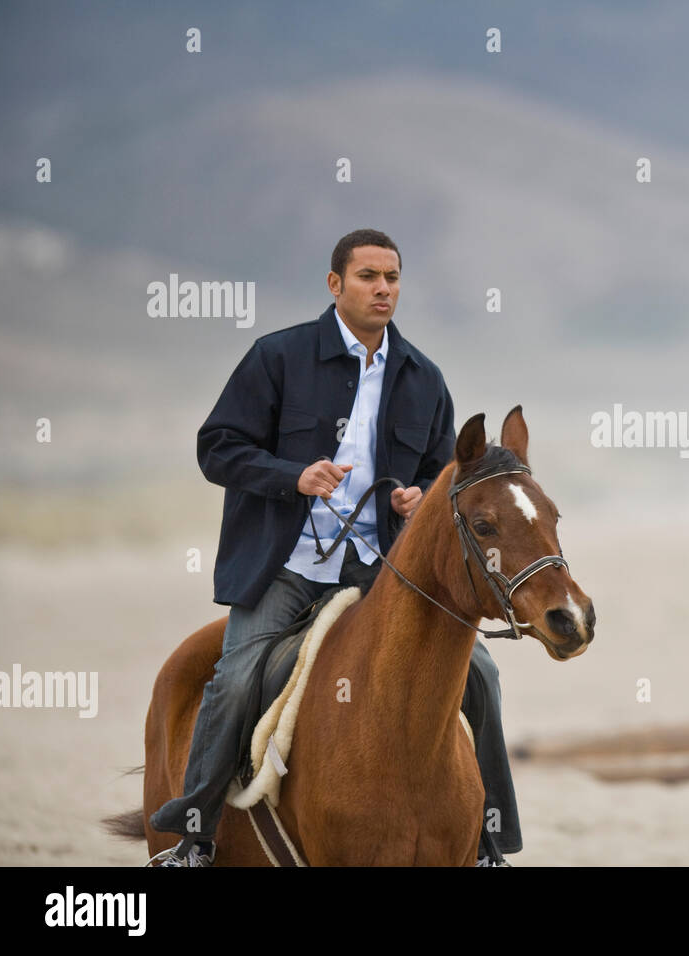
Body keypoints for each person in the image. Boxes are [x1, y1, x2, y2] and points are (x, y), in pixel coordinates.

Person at [148, 229, 521, 866]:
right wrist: (291, 477)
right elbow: (218, 447)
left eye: (392, 278)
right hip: (288, 567)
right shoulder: (279, 357)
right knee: (235, 680)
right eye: (369, 277)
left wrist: (418, 497)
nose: (383, 289)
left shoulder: (423, 378)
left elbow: (444, 477)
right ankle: (194, 837)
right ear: (335, 285)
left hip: (384, 571)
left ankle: (488, 842)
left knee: (481, 673)